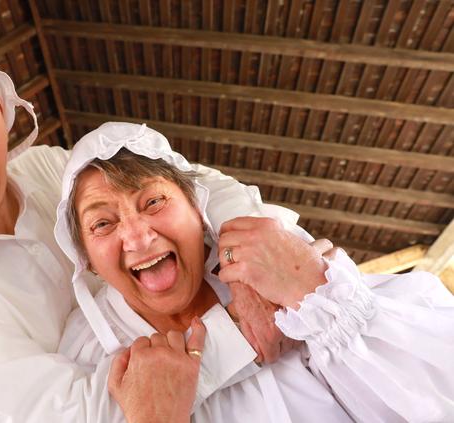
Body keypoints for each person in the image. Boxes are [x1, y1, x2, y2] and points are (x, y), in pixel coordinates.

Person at [0, 17, 311, 422]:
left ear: (0, 106)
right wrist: (239, 332)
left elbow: (199, 185)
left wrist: (249, 272)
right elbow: (73, 412)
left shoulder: (50, 169)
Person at [55, 121, 454, 422]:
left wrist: (318, 293)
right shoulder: (86, 352)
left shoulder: (276, 261)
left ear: (196, 208)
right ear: (86, 257)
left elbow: (433, 389)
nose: (138, 238)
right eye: (102, 224)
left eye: (154, 201)